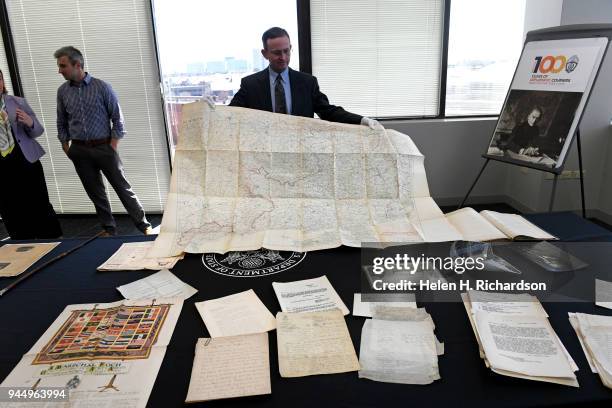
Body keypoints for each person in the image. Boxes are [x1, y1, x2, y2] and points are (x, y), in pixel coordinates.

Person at [54, 46, 151, 236]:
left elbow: (117, 118)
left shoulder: (102, 87)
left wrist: (112, 145)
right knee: (96, 193)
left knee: (123, 188)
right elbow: (61, 120)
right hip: (80, 151)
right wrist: (66, 146)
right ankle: (109, 228)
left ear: (77, 65)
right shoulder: (62, 91)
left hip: (104, 147)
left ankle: (144, 225)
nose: (60, 70)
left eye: (63, 66)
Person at [230, 27, 382, 129]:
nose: (283, 57)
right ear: (265, 53)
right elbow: (230, 115)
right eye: (277, 53)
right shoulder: (250, 85)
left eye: (286, 51)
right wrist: (208, 108)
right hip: (264, 154)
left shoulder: (307, 82)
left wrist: (362, 120)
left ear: (291, 49)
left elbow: (328, 112)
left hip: (300, 153)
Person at [0, 69, 62, 239]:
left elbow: (38, 130)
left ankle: (51, 239)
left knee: (38, 200)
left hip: (25, 159)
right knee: (9, 205)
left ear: (3, 82)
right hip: (2, 165)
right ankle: (21, 242)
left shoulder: (17, 102)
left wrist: (29, 121)